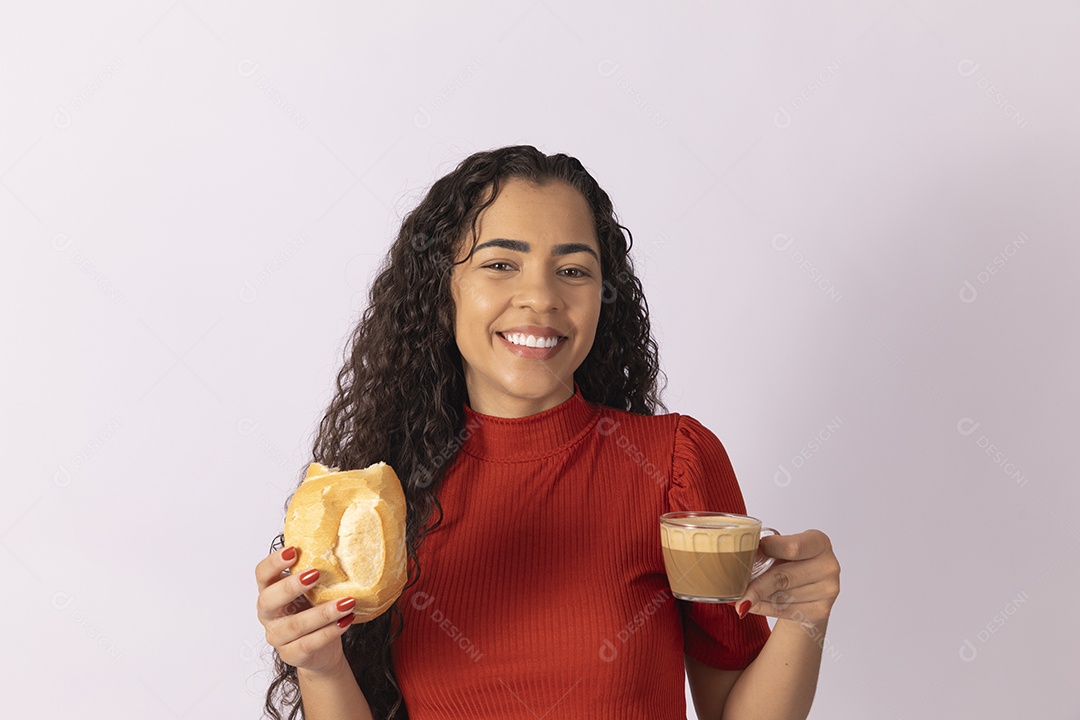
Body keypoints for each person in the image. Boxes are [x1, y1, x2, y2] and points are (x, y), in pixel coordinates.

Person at [255, 145, 841, 720]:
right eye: (501, 264)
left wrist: (804, 619)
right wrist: (320, 665)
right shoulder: (375, 502)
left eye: (572, 270)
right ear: (442, 288)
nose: (540, 297)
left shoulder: (673, 464)